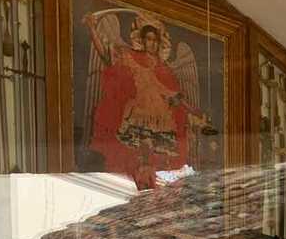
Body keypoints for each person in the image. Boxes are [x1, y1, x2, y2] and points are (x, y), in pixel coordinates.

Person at [84, 13, 206, 188]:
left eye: (155, 40)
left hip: (160, 118)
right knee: (135, 151)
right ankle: (139, 181)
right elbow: (105, 55)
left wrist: (192, 110)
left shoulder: (164, 68)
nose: (152, 43)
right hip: (138, 113)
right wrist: (92, 28)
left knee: (155, 154)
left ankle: (149, 183)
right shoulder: (129, 57)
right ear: (142, 40)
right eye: (149, 39)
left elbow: (174, 95)